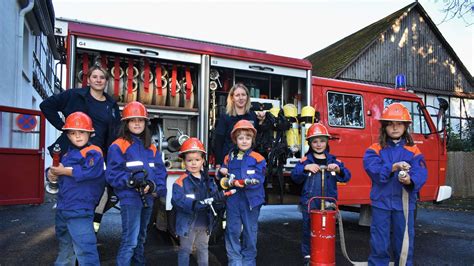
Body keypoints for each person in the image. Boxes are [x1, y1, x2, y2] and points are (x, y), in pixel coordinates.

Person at [363, 103, 427, 266]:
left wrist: (410, 180)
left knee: (404, 243)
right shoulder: (374, 149)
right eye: (390, 123)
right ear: (384, 127)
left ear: (406, 126)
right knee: (379, 243)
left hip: (404, 204)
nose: (395, 127)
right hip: (381, 203)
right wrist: (394, 167)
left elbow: (421, 172)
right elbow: (373, 170)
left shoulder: (414, 151)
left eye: (399, 123)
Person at [105, 101, 167, 266]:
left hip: (148, 198)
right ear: (126, 123)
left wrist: (155, 186)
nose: (137, 123)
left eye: (140, 120)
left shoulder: (151, 147)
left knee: (141, 238)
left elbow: (161, 171)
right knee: (130, 240)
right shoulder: (118, 146)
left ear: (145, 123)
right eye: (133, 120)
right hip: (130, 199)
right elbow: (112, 174)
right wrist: (130, 181)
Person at [46, 112, 105, 265]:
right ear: (68, 135)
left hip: (80, 209)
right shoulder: (67, 154)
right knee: (65, 249)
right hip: (63, 209)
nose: (77, 136)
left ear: (90, 133)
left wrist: (63, 171)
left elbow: (89, 172)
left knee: (86, 251)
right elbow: (57, 170)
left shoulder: (94, 152)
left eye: (82, 132)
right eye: (73, 133)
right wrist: (51, 174)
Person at [291, 123, 351, 265]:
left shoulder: (334, 160)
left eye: (322, 141)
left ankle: (325, 255)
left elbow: (347, 176)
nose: (319, 144)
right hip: (310, 202)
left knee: (327, 230)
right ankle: (308, 257)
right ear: (310, 143)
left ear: (327, 141)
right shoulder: (305, 160)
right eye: (315, 141)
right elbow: (295, 176)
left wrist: (338, 170)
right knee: (308, 229)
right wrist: (306, 168)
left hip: (329, 202)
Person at [40, 65, 121, 158]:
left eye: (102, 77)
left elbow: (116, 131)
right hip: (71, 152)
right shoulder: (74, 95)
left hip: (96, 155)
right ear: (88, 80)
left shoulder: (112, 105)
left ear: (106, 81)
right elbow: (46, 105)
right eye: (94, 77)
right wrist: (61, 126)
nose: (98, 80)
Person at [218, 120, 266, 266]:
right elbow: (222, 177)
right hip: (233, 199)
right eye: (240, 138)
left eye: (247, 138)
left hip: (251, 200)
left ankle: (249, 261)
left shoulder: (258, 158)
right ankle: (235, 261)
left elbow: (259, 178)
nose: (244, 141)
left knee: (250, 233)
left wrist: (245, 181)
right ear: (235, 139)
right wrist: (222, 172)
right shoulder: (229, 157)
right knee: (232, 230)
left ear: (252, 139)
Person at [172, 137, 224, 266]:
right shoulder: (180, 182)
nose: (193, 163)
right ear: (184, 162)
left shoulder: (209, 181)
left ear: (203, 161)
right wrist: (195, 204)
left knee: (203, 249)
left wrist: (219, 200)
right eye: (189, 160)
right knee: (185, 250)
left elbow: (214, 198)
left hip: (205, 223)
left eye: (197, 160)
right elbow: (177, 201)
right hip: (188, 224)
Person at [214, 83, 264, 168]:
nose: (241, 98)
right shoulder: (225, 117)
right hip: (229, 162)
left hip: (248, 162)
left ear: (247, 97)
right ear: (232, 98)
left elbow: (257, 140)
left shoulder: (253, 116)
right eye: (237, 95)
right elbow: (218, 142)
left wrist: (261, 122)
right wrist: (218, 164)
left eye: (243, 95)